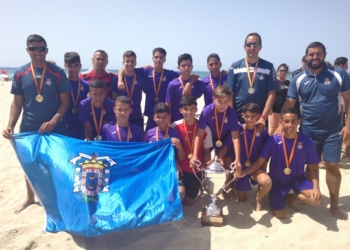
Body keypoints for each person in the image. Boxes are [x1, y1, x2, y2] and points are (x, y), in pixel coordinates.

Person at [2, 34, 71, 213]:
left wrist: (54, 120)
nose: (38, 52)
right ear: (28, 50)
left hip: (55, 127)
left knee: (55, 162)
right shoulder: (20, 73)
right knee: (29, 162)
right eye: (33, 48)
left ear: (46, 50)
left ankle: (57, 196)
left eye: (41, 48)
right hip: (29, 127)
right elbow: (17, 103)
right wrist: (10, 125)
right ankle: (30, 197)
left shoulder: (57, 72)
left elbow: (65, 102)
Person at [282, 41, 350, 220]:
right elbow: (290, 104)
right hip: (307, 130)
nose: (315, 57)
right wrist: (282, 125)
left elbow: (348, 100)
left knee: (332, 165)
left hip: (333, 130)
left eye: (318, 54)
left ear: (324, 54)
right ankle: (308, 196)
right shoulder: (298, 79)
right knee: (310, 167)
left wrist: (348, 125)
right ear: (306, 57)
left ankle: (334, 205)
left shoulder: (339, 74)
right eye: (311, 54)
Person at [236, 108, 321, 219]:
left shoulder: (307, 141)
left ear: (299, 121)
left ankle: (291, 197)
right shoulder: (273, 140)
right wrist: (245, 172)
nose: (290, 125)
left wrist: (316, 187)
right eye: (286, 121)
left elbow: (313, 168)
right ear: (280, 122)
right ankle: (275, 197)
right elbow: (259, 162)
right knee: (281, 215)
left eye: (293, 121)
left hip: (298, 179)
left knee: (316, 199)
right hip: (277, 182)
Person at [116, 48, 199, 132]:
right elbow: (123, 69)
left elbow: (194, 75)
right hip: (151, 115)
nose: (158, 59)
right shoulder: (146, 71)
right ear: (152, 58)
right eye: (156, 57)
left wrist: (189, 83)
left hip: (164, 115)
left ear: (164, 59)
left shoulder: (169, 74)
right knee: (149, 139)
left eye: (161, 57)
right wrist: (119, 80)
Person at [190, 85, 241, 199]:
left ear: (230, 101)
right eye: (220, 101)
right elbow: (199, 134)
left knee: (226, 160)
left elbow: (235, 137)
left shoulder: (231, 113)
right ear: (213, 99)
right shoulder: (207, 111)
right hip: (210, 137)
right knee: (205, 161)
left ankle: (227, 186)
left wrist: (237, 159)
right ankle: (203, 184)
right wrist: (194, 155)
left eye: (226, 101)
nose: (223, 105)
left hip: (224, 138)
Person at [225, 32, 276, 126]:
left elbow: (272, 94)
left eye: (255, 44)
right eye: (249, 44)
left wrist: (263, 117)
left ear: (260, 47)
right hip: (239, 118)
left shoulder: (268, 67)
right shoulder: (235, 67)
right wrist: (233, 117)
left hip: (259, 119)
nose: (252, 47)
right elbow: (230, 94)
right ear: (244, 47)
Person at [171, 96, 213, 205]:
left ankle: (198, 185)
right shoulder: (175, 126)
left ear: (196, 110)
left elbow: (207, 151)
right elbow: (170, 151)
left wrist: (205, 166)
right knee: (180, 195)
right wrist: (176, 164)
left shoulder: (205, 128)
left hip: (195, 170)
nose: (189, 112)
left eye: (192, 108)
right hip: (179, 169)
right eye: (185, 109)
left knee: (189, 203)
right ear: (180, 110)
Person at [232, 103, 271, 210]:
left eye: (253, 116)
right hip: (240, 168)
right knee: (242, 200)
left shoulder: (262, 130)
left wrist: (264, 166)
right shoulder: (237, 129)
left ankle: (259, 199)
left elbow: (267, 151)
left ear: (258, 116)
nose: (250, 119)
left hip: (255, 167)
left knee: (266, 181)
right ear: (242, 115)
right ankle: (231, 185)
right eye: (247, 116)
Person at [111, 51, 146, 130]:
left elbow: (149, 93)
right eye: (127, 61)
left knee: (138, 141)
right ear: (123, 62)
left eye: (132, 61)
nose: (130, 63)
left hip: (136, 115)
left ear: (135, 63)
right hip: (121, 116)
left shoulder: (141, 79)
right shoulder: (116, 79)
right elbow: (113, 99)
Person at [165, 53, 204, 123]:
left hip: (191, 121)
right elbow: (168, 105)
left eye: (189, 65)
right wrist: (169, 123)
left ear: (192, 67)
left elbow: (196, 98)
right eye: (183, 65)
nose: (186, 68)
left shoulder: (197, 83)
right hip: (176, 121)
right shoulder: (172, 84)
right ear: (178, 67)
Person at [64, 52, 90, 139]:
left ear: (80, 66)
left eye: (76, 65)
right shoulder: (60, 84)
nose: (73, 69)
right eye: (70, 66)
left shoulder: (87, 85)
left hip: (81, 125)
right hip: (65, 124)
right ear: (65, 66)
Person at [269, 63, 291, 135]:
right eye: (281, 70)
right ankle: (270, 144)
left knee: (284, 128)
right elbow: (269, 95)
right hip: (275, 110)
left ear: (287, 72)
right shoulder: (273, 82)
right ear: (277, 71)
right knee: (273, 128)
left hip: (286, 111)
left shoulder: (289, 83)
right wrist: (269, 107)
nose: (283, 72)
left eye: (284, 71)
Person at [334, 57, 349, 158]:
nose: (347, 68)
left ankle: (347, 150)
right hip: (338, 111)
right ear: (342, 65)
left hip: (342, 109)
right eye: (347, 66)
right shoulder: (340, 77)